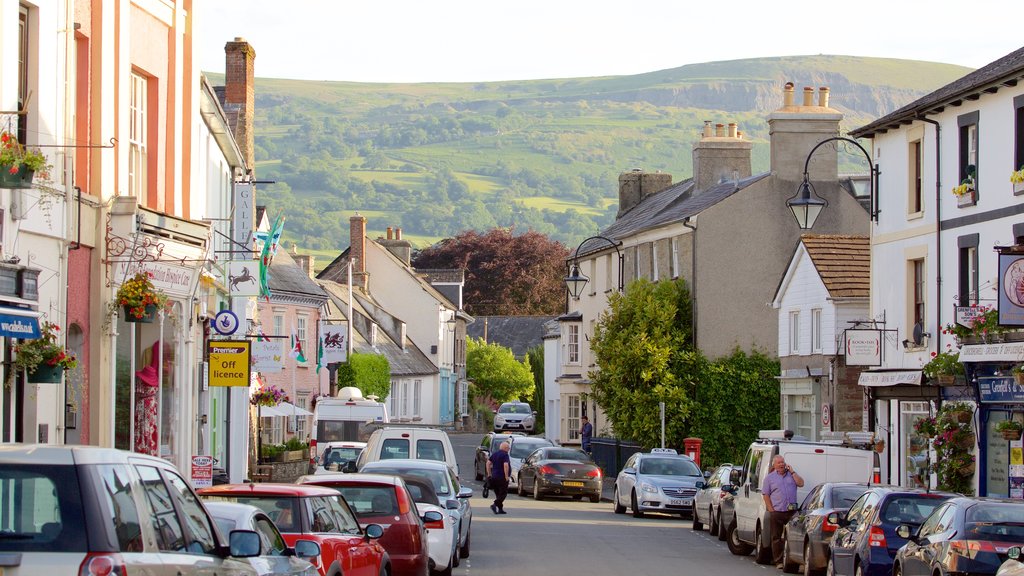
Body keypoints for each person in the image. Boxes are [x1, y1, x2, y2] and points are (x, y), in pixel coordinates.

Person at [762, 455, 804, 570]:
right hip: (777, 511)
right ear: (774, 465)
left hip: (791, 512)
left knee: (792, 536)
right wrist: (771, 509)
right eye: (779, 463)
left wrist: (793, 472)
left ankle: (791, 559)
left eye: (782, 462)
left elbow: (801, 484)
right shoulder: (769, 478)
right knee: (776, 537)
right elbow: (765, 495)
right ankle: (778, 561)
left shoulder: (792, 475)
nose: (781, 464)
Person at [486, 441, 511, 514]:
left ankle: (500, 509)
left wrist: (489, 474)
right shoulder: (505, 455)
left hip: (494, 477)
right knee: (503, 493)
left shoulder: (495, 454)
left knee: (498, 493)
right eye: (508, 448)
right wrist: (506, 476)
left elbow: (488, 463)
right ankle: (494, 504)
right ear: (505, 448)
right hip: (502, 477)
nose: (509, 449)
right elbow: (505, 465)